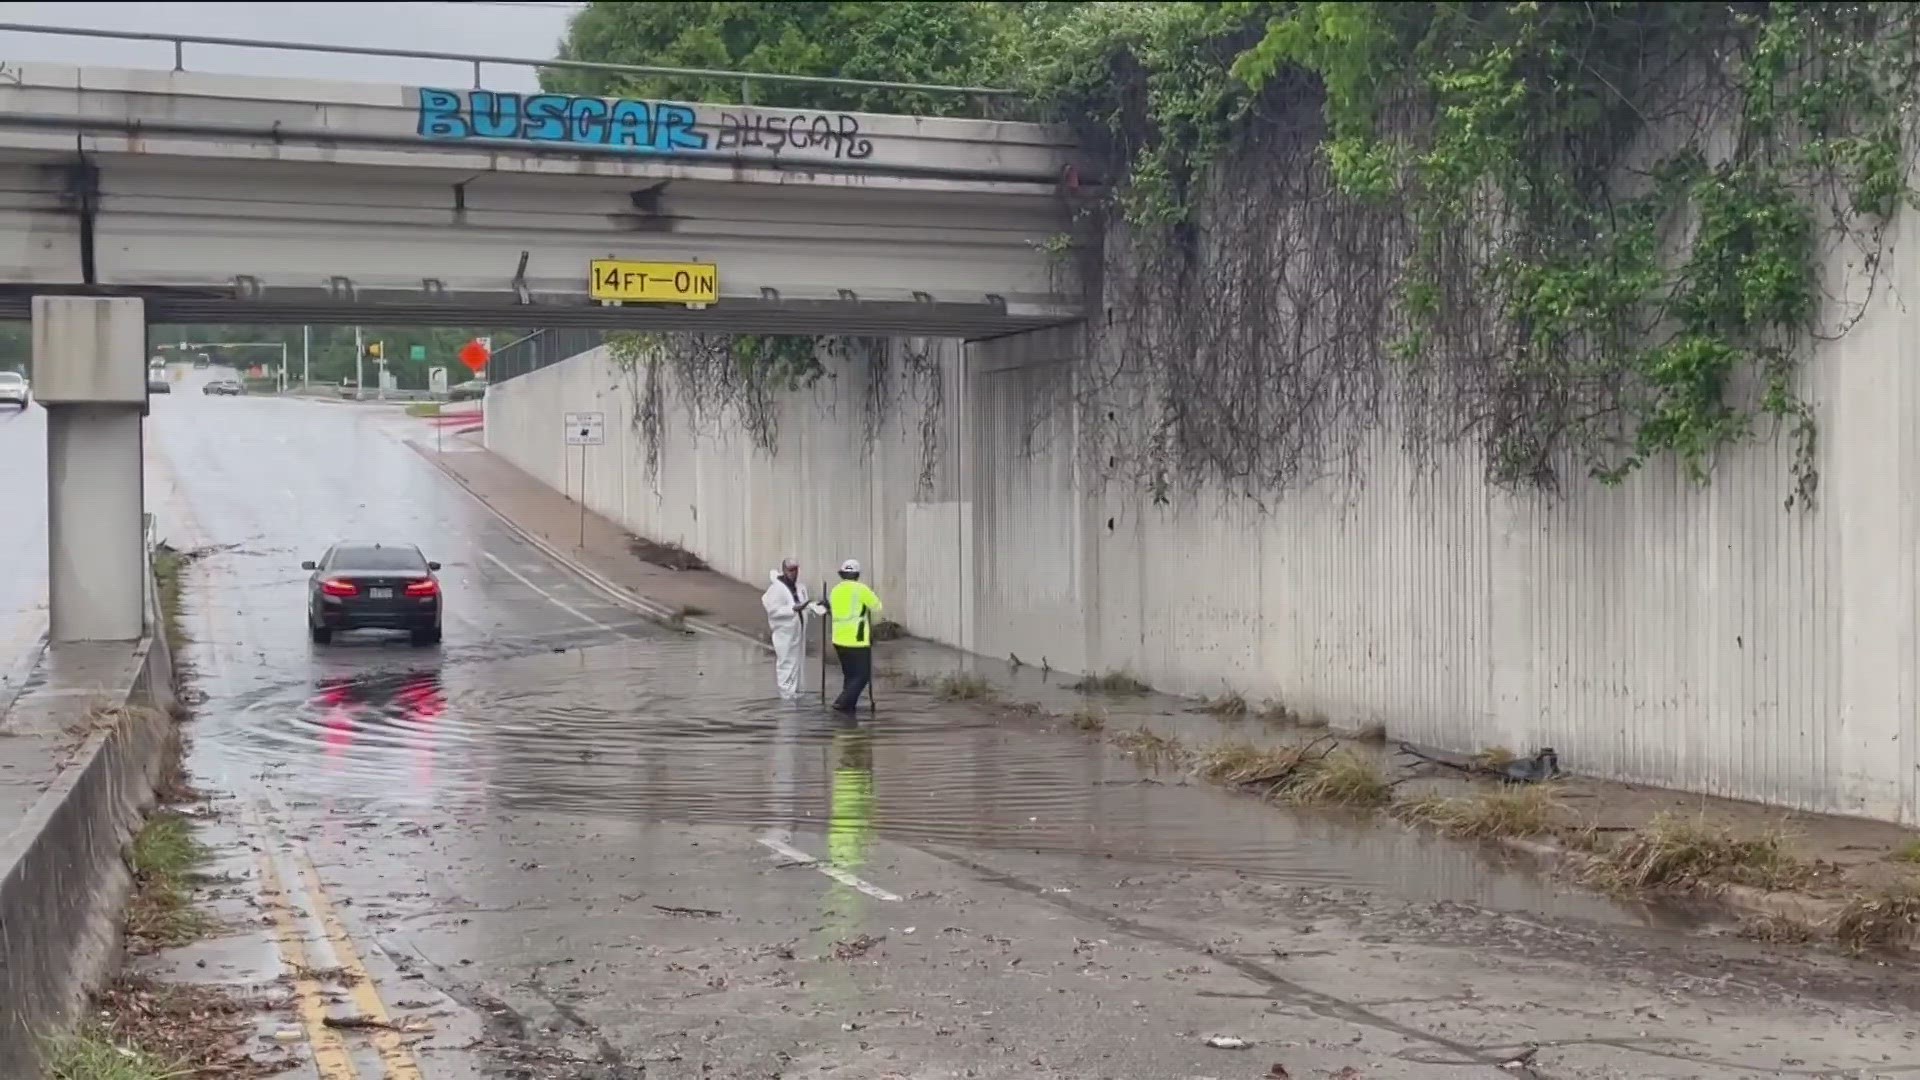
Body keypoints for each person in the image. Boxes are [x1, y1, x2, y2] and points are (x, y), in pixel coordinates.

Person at [828, 558, 882, 713]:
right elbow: (877, 607)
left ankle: (849, 708)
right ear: (857, 575)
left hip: (838, 640)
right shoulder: (861, 589)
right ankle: (841, 704)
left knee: (850, 676)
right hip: (857, 641)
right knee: (862, 676)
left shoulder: (835, 590)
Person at [759, 557, 814, 699]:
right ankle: (786, 695)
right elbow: (772, 609)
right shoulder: (777, 589)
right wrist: (793, 609)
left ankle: (797, 691)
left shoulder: (800, 587)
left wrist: (815, 607)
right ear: (784, 570)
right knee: (786, 662)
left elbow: (805, 605)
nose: (794, 573)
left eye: (796, 569)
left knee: (798, 662)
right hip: (785, 633)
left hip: (799, 630)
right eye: (790, 570)